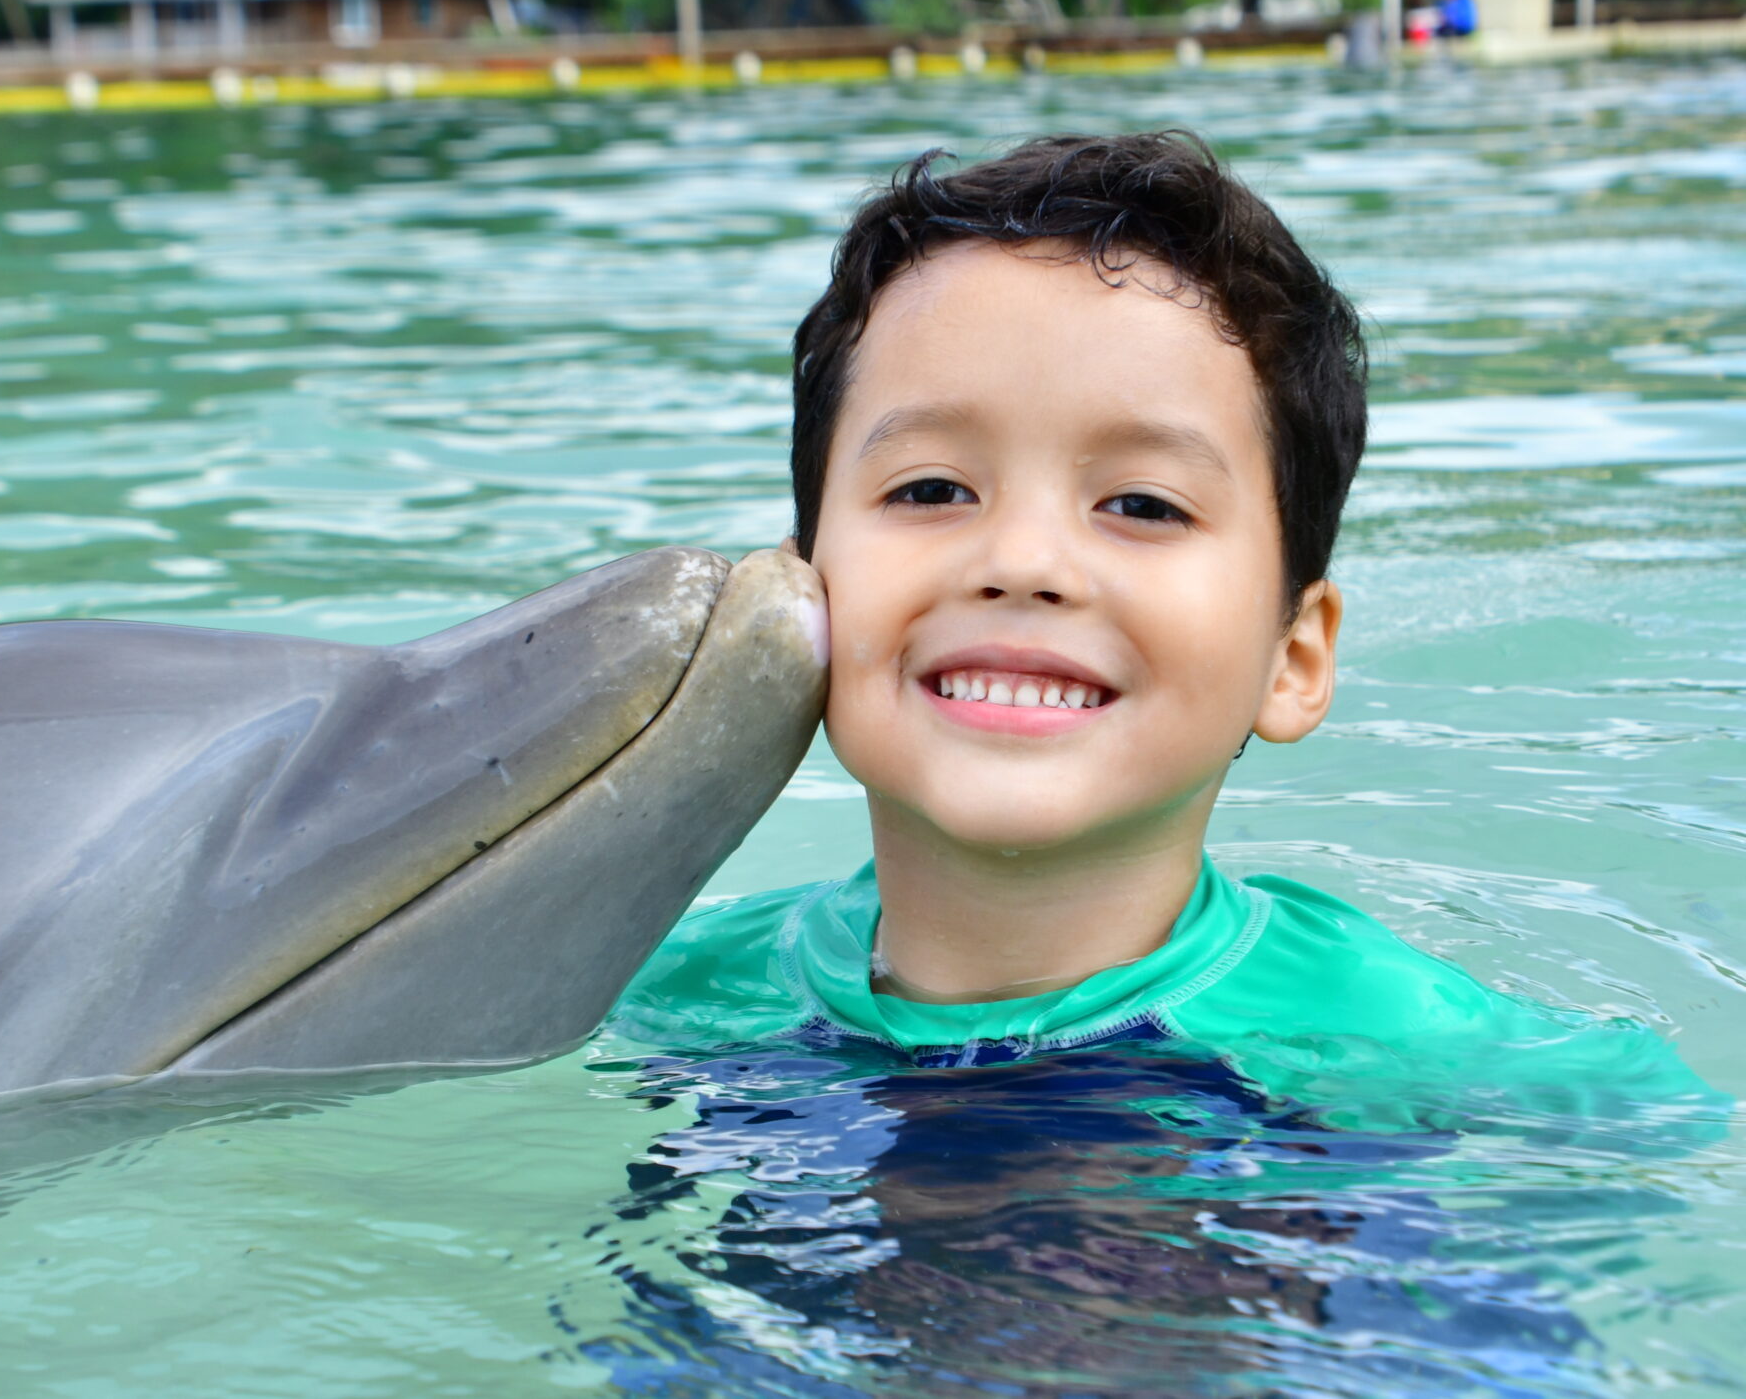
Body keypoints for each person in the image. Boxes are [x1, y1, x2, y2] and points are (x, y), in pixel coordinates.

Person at [607, 132, 1716, 1135]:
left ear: (1293, 658)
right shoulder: (658, 993)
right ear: (800, 594)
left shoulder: (1438, 1065)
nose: (1023, 562)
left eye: (1143, 504)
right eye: (932, 488)